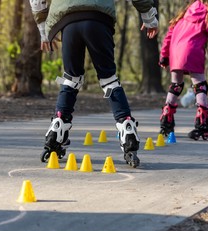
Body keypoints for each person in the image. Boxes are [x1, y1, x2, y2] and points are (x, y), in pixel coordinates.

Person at [29, 0, 159, 167]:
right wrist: (148, 16)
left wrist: (43, 28)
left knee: (71, 79)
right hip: (99, 17)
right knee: (108, 79)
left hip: (68, 21)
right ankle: (127, 131)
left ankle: (57, 130)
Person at [158, 0, 208, 140]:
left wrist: (164, 56)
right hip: (193, 52)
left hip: (175, 52)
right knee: (200, 85)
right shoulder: (206, 16)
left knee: (176, 85)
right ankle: (202, 122)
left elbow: (168, 36)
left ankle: (166, 117)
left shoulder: (181, 16)